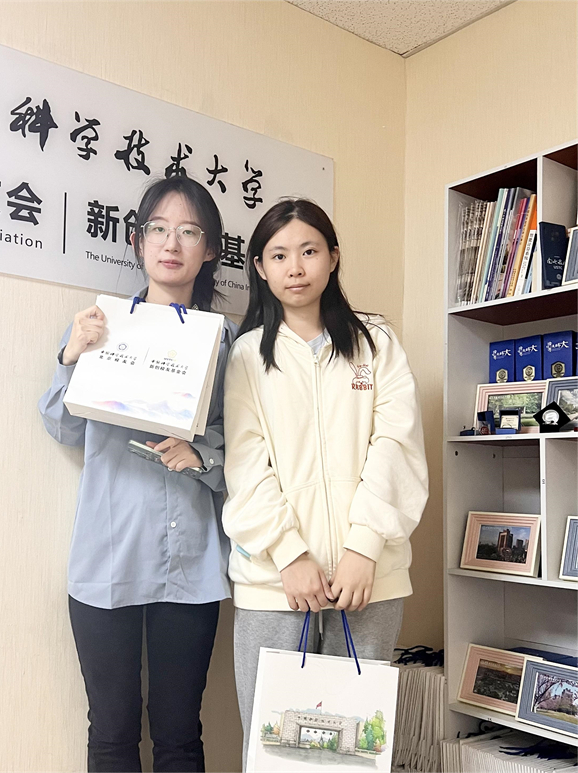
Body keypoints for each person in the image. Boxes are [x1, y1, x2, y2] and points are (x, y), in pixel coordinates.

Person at [38, 175, 237, 773]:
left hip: (190, 564)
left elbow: (245, 447)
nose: (171, 243)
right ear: (137, 240)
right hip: (108, 556)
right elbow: (64, 428)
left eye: (189, 231)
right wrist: (71, 356)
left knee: (179, 734)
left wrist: (202, 457)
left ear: (209, 250)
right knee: (111, 731)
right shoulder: (100, 325)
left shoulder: (225, 340)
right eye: (158, 229)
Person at [221, 198, 429, 763]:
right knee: (274, 747)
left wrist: (363, 547)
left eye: (309, 251)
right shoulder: (246, 357)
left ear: (333, 258)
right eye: (279, 255)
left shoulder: (376, 343)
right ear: (260, 267)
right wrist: (290, 555)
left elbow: (398, 446)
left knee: (352, 750)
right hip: (274, 581)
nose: (295, 267)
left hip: (369, 579)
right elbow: (245, 466)